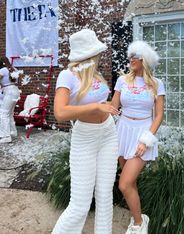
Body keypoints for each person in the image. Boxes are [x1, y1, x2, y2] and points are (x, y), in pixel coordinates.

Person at [52, 29, 119, 234]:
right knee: (79, 205)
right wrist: (95, 108)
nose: (99, 56)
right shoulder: (67, 75)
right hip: (86, 138)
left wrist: (108, 105)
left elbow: (96, 101)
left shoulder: (95, 74)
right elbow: (60, 112)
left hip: (108, 133)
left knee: (105, 196)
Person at [111, 40, 165, 234]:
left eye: (136, 57)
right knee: (130, 182)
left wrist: (146, 139)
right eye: (130, 56)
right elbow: (113, 108)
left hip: (142, 132)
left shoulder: (157, 84)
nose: (131, 60)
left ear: (145, 60)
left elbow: (158, 115)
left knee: (124, 183)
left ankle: (138, 224)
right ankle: (139, 215)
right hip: (123, 130)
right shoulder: (122, 80)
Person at [0, 56, 21, 143]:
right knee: (9, 113)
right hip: (15, 91)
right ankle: (13, 132)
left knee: (3, 113)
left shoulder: (2, 70)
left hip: (8, 91)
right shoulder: (13, 69)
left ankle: (6, 136)